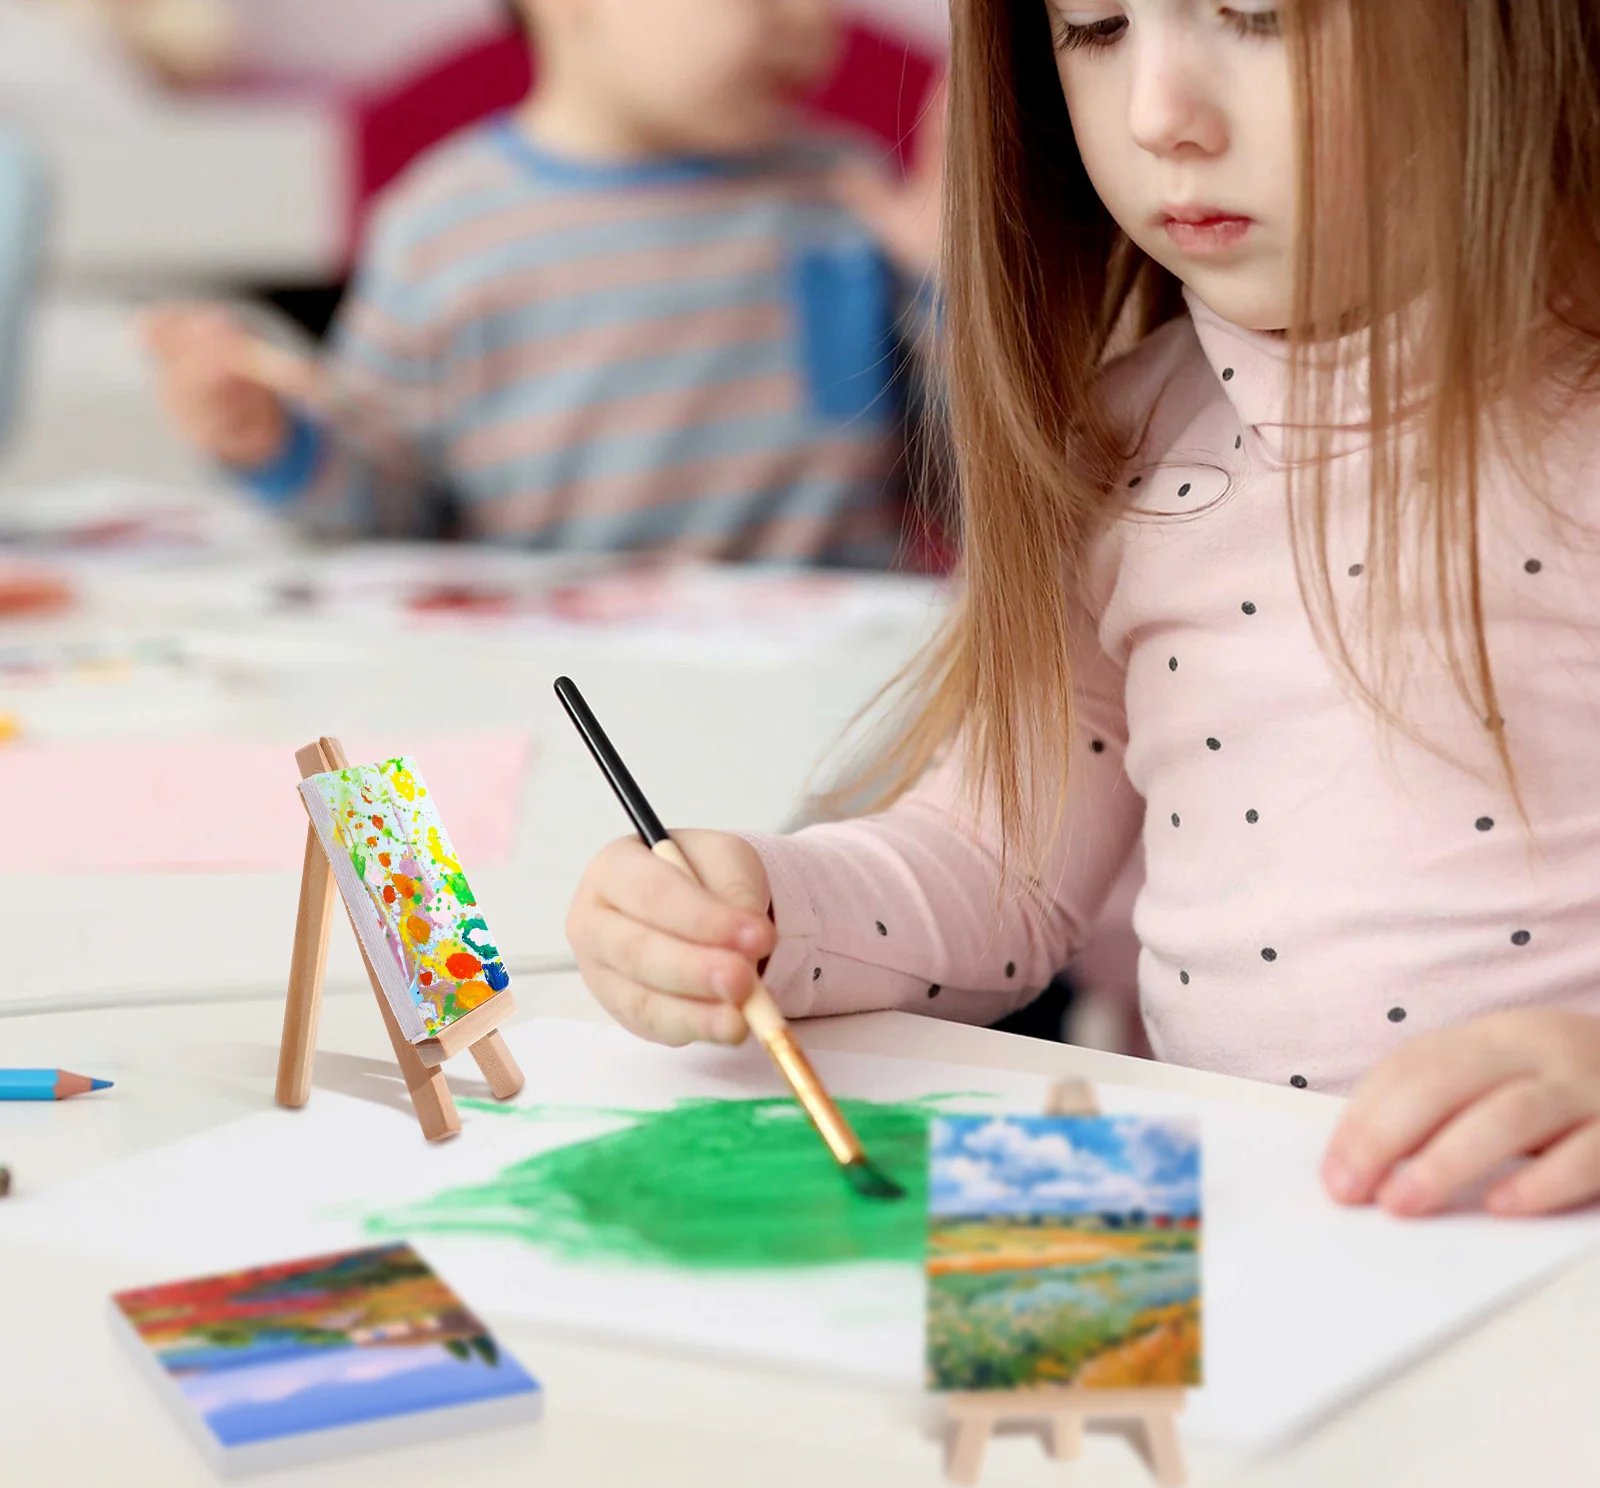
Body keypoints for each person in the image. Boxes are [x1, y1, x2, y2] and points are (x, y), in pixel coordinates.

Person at [565, 0, 1600, 1217]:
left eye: (1258, 15)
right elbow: (995, 867)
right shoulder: (1120, 442)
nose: (1159, 114)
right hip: (1259, 1249)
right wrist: (759, 910)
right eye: (1097, 28)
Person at [144, 0, 944, 564]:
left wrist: (954, 292)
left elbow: (973, 487)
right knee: (362, 793)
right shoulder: (440, 228)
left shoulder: (850, 193)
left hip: (827, 696)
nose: (812, 19)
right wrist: (276, 442)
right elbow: (388, 513)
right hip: (554, 692)